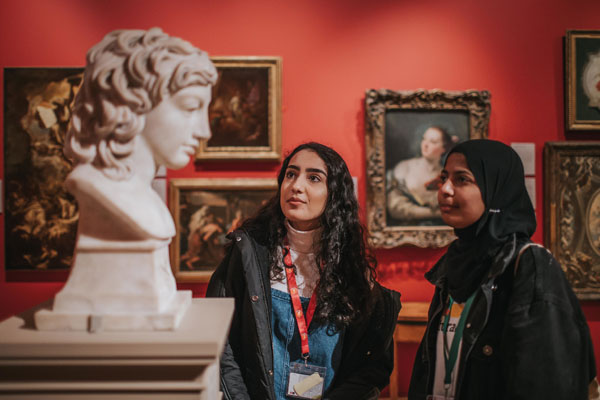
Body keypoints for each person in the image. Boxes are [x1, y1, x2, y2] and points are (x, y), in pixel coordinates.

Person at [207, 142, 401, 400]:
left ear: (334, 194)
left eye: (313, 178)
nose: (296, 186)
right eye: (291, 174)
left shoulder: (352, 271)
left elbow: (370, 368)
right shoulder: (246, 254)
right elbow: (221, 343)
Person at [408, 139, 598, 400]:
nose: (444, 189)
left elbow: (545, 383)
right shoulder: (455, 263)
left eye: (462, 179)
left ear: (496, 189)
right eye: (444, 178)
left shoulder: (528, 264)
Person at [64, 27, 217, 241]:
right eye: (190, 107)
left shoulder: (147, 204)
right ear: (132, 103)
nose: (204, 132)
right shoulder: (105, 195)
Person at [387, 126, 456, 225]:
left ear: (444, 148)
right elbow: (396, 208)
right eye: (424, 139)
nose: (425, 144)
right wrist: (436, 213)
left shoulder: (447, 175)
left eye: (433, 142)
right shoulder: (404, 167)